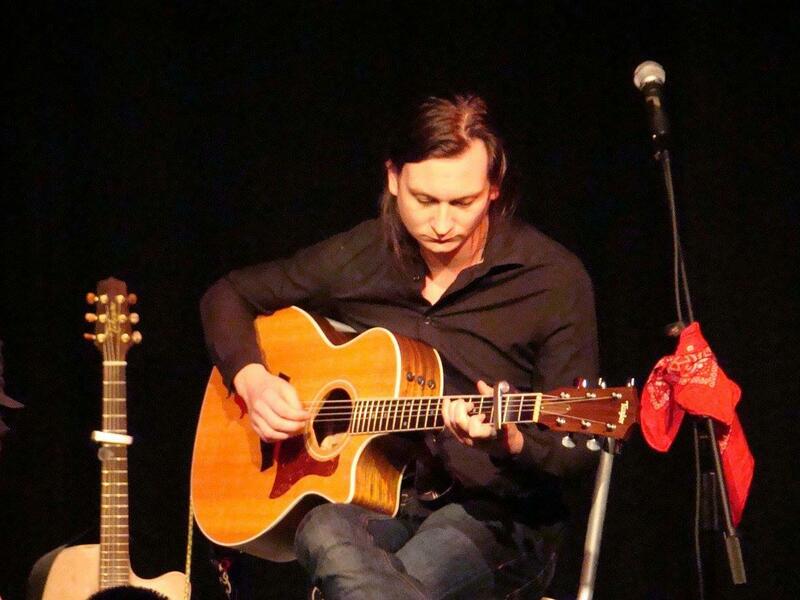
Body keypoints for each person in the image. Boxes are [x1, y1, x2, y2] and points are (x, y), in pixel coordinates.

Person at [200, 93, 599, 600]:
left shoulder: (551, 280)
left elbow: (577, 448)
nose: (441, 223)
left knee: (375, 579)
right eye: (424, 200)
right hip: (379, 503)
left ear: (493, 188)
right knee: (321, 529)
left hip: (496, 518)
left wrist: (509, 441)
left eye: (463, 202)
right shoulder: (361, 256)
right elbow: (228, 295)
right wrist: (253, 381)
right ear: (393, 179)